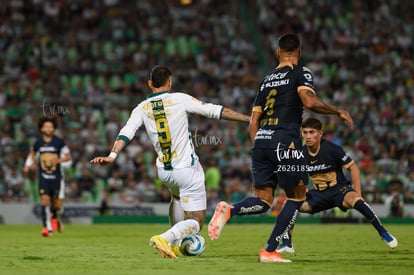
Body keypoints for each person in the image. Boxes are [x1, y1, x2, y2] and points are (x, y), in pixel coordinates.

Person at [207, 33, 353, 263]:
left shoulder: (267, 79)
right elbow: (309, 101)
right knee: (297, 197)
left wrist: (258, 147)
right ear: (299, 53)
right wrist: (337, 111)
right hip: (286, 141)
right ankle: (269, 251)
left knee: (264, 201)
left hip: (262, 141)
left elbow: (253, 122)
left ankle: (231, 210)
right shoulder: (300, 72)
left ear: (277, 53)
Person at [90, 65, 250, 259]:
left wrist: (112, 156)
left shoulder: (141, 108)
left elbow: (126, 132)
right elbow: (213, 110)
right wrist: (247, 119)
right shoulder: (180, 99)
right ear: (170, 82)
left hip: (165, 172)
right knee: (197, 221)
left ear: (150, 83)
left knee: (176, 199)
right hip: (186, 169)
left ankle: (173, 246)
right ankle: (165, 238)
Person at [276, 117, 398, 254]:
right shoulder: (300, 154)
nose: (308, 136)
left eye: (312, 132)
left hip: (339, 190)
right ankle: (287, 244)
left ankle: (383, 232)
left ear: (320, 133)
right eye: (305, 132)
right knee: (291, 203)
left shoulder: (332, 149)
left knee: (356, 200)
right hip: (318, 194)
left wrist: (358, 192)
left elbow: (353, 168)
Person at [23, 116, 71, 237]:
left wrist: (58, 161)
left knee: (57, 205)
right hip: (43, 176)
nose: (48, 129)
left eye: (50, 126)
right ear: (41, 128)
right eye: (46, 126)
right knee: (44, 201)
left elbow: (68, 157)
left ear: (54, 128)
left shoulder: (59, 142)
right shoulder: (38, 143)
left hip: (57, 177)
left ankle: (56, 219)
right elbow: (32, 155)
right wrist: (28, 165)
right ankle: (46, 228)